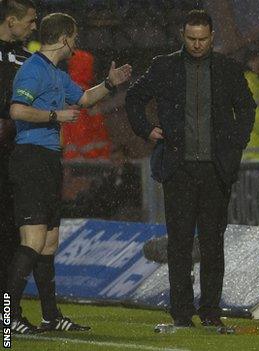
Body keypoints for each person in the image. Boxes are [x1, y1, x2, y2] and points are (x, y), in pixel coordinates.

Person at [125, 9, 255, 329]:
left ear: (212, 37)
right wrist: (147, 129)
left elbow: (247, 107)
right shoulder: (163, 65)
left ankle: (210, 312)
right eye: (191, 39)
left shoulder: (228, 68)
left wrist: (235, 143)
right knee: (180, 244)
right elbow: (133, 98)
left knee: (213, 243)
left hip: (215, 170)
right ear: (183, 36)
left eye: (202, 39)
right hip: (178, 170)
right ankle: (182, 314)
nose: (196, 45)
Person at [7, 12, 131, 334]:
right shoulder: (33, 70)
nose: (76, 45)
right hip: (31, 160)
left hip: (49, 161)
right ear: (64, 39)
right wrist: (55, 115)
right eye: (74, 38)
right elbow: (17, 110)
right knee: (32, 241)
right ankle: (6, 315)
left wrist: (109, 84)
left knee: (49, 243)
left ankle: (51, 316)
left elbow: (86, 98)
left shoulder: (56, 73)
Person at [0, 0, 36, 298]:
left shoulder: (28, 59)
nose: (34, 26)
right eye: (30, 20)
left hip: (18, 155)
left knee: (13, 232)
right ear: (11, 21)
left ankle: (9, 310)